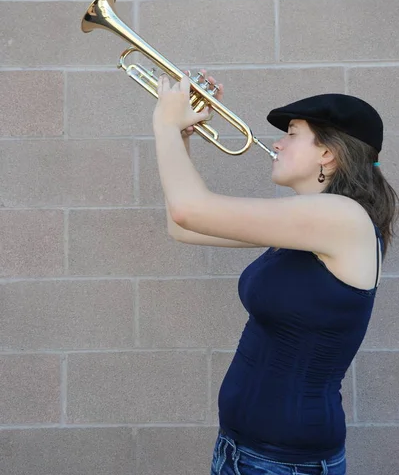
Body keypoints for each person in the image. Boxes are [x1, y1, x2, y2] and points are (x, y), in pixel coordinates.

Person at [152, 72, 398, 475]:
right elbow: (182, 226)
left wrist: (164, 122)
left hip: (285, 463)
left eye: (293, 133)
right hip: (239, 448)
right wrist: (181, 135)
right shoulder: (304, 226)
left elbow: (187, 209)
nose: (278, 143)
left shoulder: (342, 217)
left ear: (328, 154)